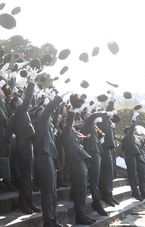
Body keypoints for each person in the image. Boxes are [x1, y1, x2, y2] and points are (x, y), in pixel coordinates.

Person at [61, 95, 95, 225]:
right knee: (80, 191)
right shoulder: (65, 133)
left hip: (81, 163)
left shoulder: (72, 134)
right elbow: (69, 121)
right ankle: (80, 216)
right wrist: (74, 109)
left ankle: (82, 214)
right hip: (75, 164)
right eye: (71, 123)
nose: (73, 124)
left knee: (82, 191)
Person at [10, 69, 39, 214]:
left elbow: (30, 101)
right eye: (20, 101)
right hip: (24, 144)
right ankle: (24, 202)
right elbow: (27, 98)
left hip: (27, 144)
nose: (23, 102)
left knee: (29, 175)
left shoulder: (22, 113)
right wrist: (31, 81)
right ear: (16, 104)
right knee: (26, 175)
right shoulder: (20, 112)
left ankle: (29, 201)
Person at [33, 94, 63, 227]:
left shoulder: (48, 127)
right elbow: (49, 110)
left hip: (50, 160)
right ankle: (48, 221)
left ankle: (53, 218)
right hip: (44, 161)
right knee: (48, 193)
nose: (49, 115)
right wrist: (57, 98)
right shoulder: (41, 122)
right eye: (45, 112)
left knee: (53, 193)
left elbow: (54, 117)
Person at [80, 107, 108, 216]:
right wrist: (105, 112)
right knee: (94, 180)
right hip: (92, 153)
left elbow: (96, 136)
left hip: (96, 152)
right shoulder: (87, 123)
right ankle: (96, 203)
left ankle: (97, 202)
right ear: (85, 116)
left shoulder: (91, 125)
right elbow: (93, 116)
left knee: (96, 179)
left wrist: (100, 137)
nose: (90, 114)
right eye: (88, 113)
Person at [122, 110, 145, 201]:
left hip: (137, 157)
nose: (134, 133)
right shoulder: (127, 137)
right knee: (133, 176)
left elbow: (143, 144)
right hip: (130, 157)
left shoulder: (134, 138)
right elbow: (131, 129)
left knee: (142, 175)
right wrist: (134, 119)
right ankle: (135, 192)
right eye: (132, 131)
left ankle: (142, 192)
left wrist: (144, 143)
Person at [98, 101, 119, 206]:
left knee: (110, 173)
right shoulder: (103, 121)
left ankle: (109, 194)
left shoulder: (110, 123)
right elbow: (108, 111)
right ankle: (106, 195)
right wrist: (112, 100)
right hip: (105, 149)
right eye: (111, 113)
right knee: (107, 172)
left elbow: (117, 118)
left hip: (110, 149)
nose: (112, 115)